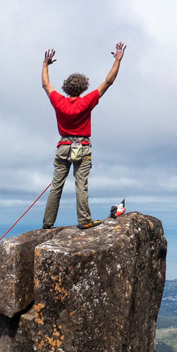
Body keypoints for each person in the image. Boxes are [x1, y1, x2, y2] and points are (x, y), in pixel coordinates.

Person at [41, 42, 125, 229]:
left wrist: (45, 64)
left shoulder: (58, 101)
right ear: (84, 87)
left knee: (56, 185)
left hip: (63, 147)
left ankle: (47, 223)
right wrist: (118, 60)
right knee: (81, 184)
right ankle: (84, 220)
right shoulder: (87, 101)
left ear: (66, 87)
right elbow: (108, 82)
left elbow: (46, 85)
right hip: (83, 146)